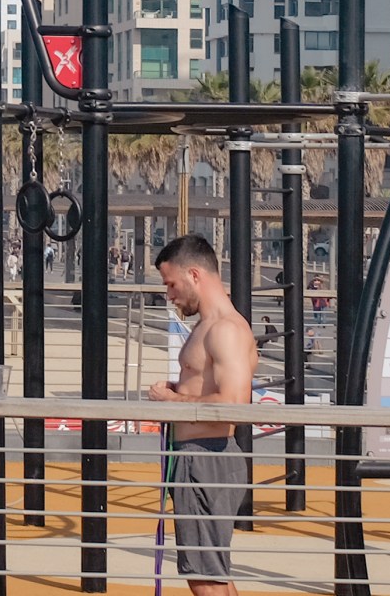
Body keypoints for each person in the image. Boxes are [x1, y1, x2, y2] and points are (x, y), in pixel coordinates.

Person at [148, 234, 258, 596]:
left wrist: (170, 402)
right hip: (199, 457)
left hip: (205, 459)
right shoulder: (208, 327)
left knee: (204, 580)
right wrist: (180, 392)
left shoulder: (225, 329)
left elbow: (236, 404)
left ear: (194, 275)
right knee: (214, 575)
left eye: (172, 284)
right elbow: (211, 391)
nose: (170, 295)